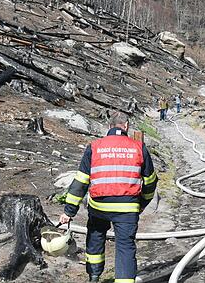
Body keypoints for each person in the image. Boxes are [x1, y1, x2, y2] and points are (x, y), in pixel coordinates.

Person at [59, 112, 157, 283]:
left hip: (99, 207)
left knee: (95, 238)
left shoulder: (95, 146)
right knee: (125, 247)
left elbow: (81, 181)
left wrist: (69, 212)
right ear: (126, 126)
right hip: (127, 209)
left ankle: (94, 277)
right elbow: (150, 181)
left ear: (109, 127)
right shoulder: (138, 147)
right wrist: (142, 203)